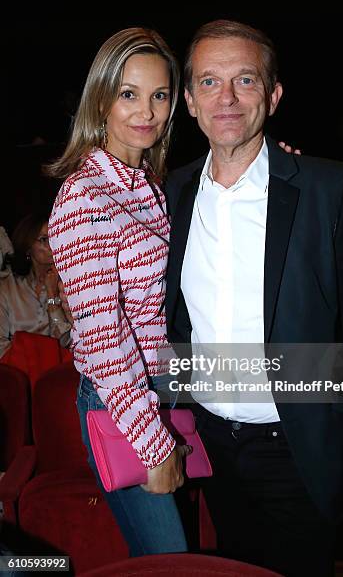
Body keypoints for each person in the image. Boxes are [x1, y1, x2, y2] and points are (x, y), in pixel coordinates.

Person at [163, 20, 343, 577]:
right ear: (189, 101)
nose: (228, 98)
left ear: (272, 94)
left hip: (298, 444)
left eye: (245, 80)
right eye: (210, 83)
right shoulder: (169, 193)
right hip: (211, 442)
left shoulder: (327, 188)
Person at [47, 28, 192, 557]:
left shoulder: (147, 183)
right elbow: (104, 339)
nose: (146, 111)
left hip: (158, 387)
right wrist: (153, 445)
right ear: (102, 98)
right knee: (169, 562)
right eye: (129, 94)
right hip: (119, 403)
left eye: (159, 95)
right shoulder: (85, 194)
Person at [0, 213, 71, 359]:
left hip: (56, 371)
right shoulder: (8, 287)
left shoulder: (69, 284)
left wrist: (52, 295)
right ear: (27, 247)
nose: (53, 245)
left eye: (55, 236)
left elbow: (65, 340)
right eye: (44, 239)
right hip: (19, 371)